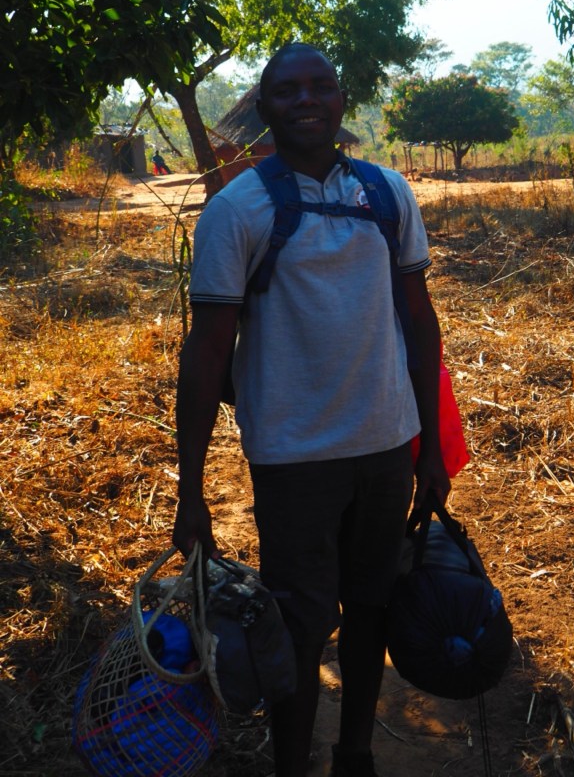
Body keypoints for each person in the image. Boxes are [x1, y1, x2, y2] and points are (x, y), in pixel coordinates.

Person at [172, 42, 450, 777]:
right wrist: (190, 488)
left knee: (373, 609)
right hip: (294, 462)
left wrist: (433, 448)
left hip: (388, 447)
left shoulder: (388, 194)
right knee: (299, 623)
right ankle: (291, 764)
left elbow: (420, 324)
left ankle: (354, 753)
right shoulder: (238, 211)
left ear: (340, 100)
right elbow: (205, 355)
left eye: (319, 87)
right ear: (264, 109)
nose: (304, 101)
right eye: (285, 90)